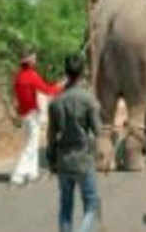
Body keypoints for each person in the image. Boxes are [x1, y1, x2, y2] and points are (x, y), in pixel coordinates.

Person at [47, 54, 101, 232]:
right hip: (83, 161)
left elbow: (51, 135)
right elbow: (98, 130)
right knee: (92, 204)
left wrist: (51, 159)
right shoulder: (88, 100)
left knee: (65, 207)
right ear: (82, 72)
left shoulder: (55, 102)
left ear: (66, 72)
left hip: (63, 161)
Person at [10, 51, 63, 186]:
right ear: (29, 61)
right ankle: (17, 175)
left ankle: (32, 174)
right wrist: (60, 86)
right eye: (34, 58)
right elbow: (47, 90)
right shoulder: (32, 76)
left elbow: (18, 98)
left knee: (33, 144)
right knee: (30, 145)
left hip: (24, 115)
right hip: (32, 115)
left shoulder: (18, 77)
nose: (35, 60)